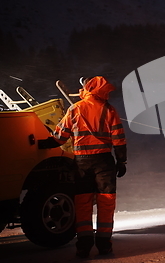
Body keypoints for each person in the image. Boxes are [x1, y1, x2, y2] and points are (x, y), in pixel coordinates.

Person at [39, 76, 127, 258]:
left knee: (83, 203)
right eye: (107, 91)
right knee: (106, 202)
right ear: (100, 91)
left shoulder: (75, 109)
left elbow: (60, 137)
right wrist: (121, 161)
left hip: (81, 163)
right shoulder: (109, 110)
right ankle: (104, 244)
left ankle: (84, 245)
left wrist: (42, 144)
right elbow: (118, 139)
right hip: (104, 162)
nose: (108, 94)